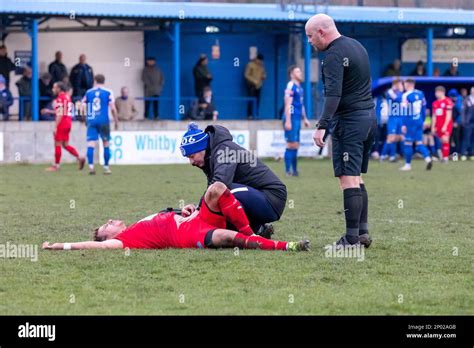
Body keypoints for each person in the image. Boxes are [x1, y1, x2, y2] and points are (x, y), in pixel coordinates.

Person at [42, 182, 309, 252]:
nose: (111, 220)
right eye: (106, 225)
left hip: (194, 219)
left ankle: (252, 233)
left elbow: (167, 214)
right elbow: (95, 246)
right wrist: (60, 246)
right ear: (107, 237)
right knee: (228, 238)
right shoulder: (122, 242)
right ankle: (288, 246)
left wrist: (187, 208)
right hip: (187, 236)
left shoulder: (137, 224)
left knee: (217, 188)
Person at [306, 14, 376, 248]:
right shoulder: (357, 45)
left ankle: (351, 239)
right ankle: (362, 233)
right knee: (357, 177)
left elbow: (333, 95)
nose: (309, 41)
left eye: (310, 36)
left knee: (347, 180)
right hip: (368, 118)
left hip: (350, 122)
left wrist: (322, 125)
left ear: (322, 32)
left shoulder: (334, 55)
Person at [180, 123, 287, 238]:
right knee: (222, 208)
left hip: (272, 198)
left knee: (224, 192)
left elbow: (220, 184)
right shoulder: (210, 154)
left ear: (201, 148)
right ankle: (259, 230)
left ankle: (254, 233)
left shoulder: (225, 149)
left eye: (192, 156)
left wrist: (198, 211)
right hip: (257, 196)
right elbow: (212, 193)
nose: (191, 162)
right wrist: (196, 208)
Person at [82, 74, 119, 175]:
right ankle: (106, 168)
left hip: (92, 120)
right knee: (106, 144)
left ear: (94, 80)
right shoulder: (108, 92)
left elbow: (83, 107)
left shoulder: (89, 92)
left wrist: (85, 119)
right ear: (104, 81)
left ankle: (91, 167)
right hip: (104, 121)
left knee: (91, 144)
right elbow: (113, 108)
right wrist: (116, 121)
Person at [45, 82, 85, 172]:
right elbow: (64, 111)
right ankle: (79, 157)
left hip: (62, 123)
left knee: (57, 143)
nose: (53, 89)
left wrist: (55, 127)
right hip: (68, 122)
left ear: (59, 89)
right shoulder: (67, 97)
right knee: (65, 144)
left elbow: (60, 113)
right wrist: (49, 111)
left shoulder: (60, 98)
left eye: (54, 88)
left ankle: (56, 165)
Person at [399, 79, 433, 171]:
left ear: (408, 84)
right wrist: (424, 121)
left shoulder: (405, 95)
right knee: (419, 142)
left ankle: (407, 165)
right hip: (419, 121)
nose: (404, 85)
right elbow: (424, 108)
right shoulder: (421, 94)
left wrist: (403, 124)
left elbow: (404, 111)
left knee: (408, 142)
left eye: (404, 83)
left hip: (410, 121)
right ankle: (428, 158)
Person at [283, 65, 310, 176]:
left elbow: (301, 104)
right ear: (292, 74)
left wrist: (305, 118)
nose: (300, 73)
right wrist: (288, 120)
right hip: (292, 117)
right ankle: (288, 170)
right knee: (291, 144)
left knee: (296, 144)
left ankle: (294, 170)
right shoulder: (291, 85)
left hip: (298, 117)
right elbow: (288, 104)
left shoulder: (300, 87)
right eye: (297, 71)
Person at [380, 78, 404, 162]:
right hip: (393, 118)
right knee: (390, 137)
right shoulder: (390, 92)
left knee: (398, 137)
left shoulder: (400, 93)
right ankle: (382, 156)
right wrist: (395, 89)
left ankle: (392, 156)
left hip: (400, 118)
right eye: (400, 84)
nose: (402, 86)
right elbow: (397, 99)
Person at [432, 86, 454, 162]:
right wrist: (433, 126)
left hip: (446, 124)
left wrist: (445, 125)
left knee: (445, 139)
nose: (436, 94)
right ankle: (442, 156)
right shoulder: (435, 103)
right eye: (436, 92)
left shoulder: (448, 101)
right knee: (441, 141)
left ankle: (445, 158)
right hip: (438, 125)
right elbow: (434, 116)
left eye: (438, 92)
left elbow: (449, 115)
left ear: (442, 92)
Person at [244, 53, 266, 119]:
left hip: (258, 86)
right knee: (251, 100)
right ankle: (249, 115)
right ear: (256, 59)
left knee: (257, 101)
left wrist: (263, 76)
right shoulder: (250, 65)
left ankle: (256, 115)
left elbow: (263, 74)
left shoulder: (261, 66)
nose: (260, 62)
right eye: (259, 60)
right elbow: (246, 75)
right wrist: (254, 81)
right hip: (251, 86)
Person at [460, 87, 474, 160]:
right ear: (471, 92)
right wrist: (463, 122)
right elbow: (463, 112)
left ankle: (472, 154)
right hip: (468, 123)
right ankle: (463, 153)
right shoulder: (466, 100)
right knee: (466, 138)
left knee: (473, 139)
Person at [448, 89, 463, 155]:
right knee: (450, 139)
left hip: (456, 124)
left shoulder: (458, 101)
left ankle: (457, 153)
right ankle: (450, 153)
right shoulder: (449, 101)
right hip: (450, 123)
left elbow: (461, 113)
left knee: (456, 139)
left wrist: (456, 122)